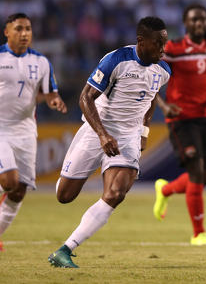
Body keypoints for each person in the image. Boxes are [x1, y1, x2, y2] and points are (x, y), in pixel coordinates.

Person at [48, 16, 170, 268]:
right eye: (158, 43)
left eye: (165, 43)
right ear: (141, 41)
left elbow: (151, 99)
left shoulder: (164, 71)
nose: (163, 48)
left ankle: (66, 250)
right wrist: (103, 135)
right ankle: (75, 170)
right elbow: (85, 98)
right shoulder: (115, 60)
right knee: (64, 196)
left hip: (128, 137)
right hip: (96, 130)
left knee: (116, 193)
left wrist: (144, 133)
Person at [153, 4, 206, 245]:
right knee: (196, 171)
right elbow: (150, 78)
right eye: (195, 20)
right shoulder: (173, 49)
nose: (199, 24)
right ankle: (199, 234)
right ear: (185, 23)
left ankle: (165, 190)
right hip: (180, 118)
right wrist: (164, 107)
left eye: (203, 20)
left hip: (205, 117)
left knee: (203, 177)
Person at [0, 13, 67, 252]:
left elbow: (50, 93)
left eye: (28, 28)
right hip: (1, 129)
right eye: (18, 28)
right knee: (9, 180)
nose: (24, 33)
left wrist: (54, 101)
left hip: (26, 130)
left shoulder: (41, 62)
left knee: (18, 191)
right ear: (7, 32)